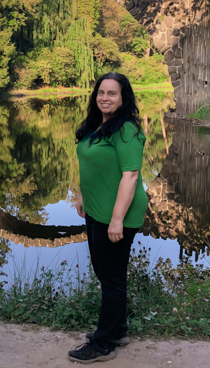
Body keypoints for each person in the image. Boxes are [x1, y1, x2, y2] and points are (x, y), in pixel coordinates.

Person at [68, 72, 147, 364]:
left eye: (112, 93)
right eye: (101, 92)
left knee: (111, 279)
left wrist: (117, 220)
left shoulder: (126, 130)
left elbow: (131, 175)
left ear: (123, 97)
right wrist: (80, 194)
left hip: (117, 213)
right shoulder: (95, 125)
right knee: (106, 274)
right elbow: (89, 163)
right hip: (95, 208)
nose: (105, 98)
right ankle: (119, 329)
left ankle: (103, 344)